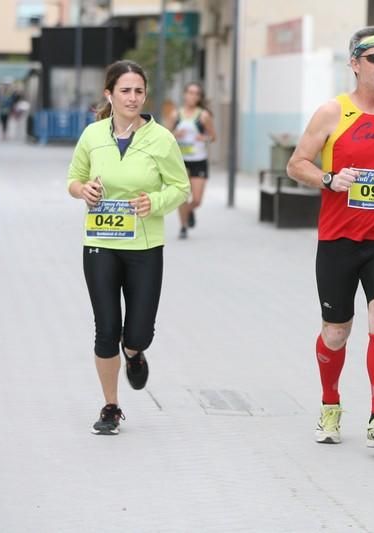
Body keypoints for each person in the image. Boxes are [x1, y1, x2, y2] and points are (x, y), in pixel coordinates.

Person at [286, 26, 374, 448]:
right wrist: (329, 179)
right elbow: (297, 164)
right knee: (337, 330)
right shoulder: (332, 113)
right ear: (355, 65)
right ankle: (330, 404)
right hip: (338, 239)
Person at [67, 60, 190, 435]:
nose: (133, 97)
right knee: (106, 329)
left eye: (139, 90)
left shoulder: (162, 139)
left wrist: (154, 202)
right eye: (125, 90)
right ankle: (110, 406)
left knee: (137, 333)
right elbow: (74, 179)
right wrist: (83, 190)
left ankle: (134, 354)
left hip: (145, 246)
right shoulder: (92, 136)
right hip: (100, 243)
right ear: (109, 94)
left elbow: (180, 187)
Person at [166, 82, 217, 239]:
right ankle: (183, 226)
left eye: (196, 94)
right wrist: (175, 134)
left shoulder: (203, 115)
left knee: (196, 199)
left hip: (198, 160)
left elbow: (213, 137)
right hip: (180, 161)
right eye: (190, 92)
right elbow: (164, 136)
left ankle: (189, 211)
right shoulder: (175, 114)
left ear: (199, 97)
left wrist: (205, 137)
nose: (192, 96)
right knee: (183, 196)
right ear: (184, 94)